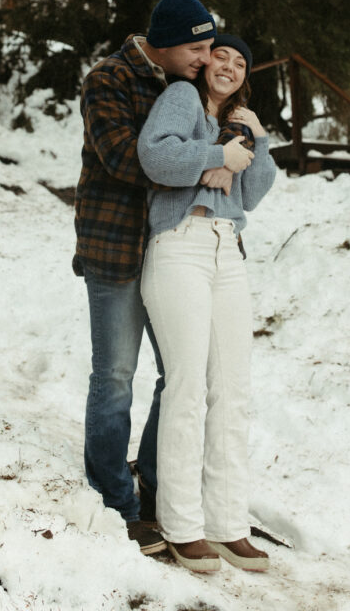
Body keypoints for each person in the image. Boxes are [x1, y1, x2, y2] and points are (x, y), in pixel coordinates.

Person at [73, 0, 250, 555]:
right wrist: (207, 164)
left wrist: (229, 146)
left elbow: (221, 151)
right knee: (117, 373)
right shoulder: (108, 79)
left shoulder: (187, 88)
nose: (206, 57)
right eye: (198, 47)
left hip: (174, 252)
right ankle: (113, 501)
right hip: (116, 245)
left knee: (181, 374)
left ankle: (154, 483)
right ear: (169, 45)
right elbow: (128, 157)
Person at [136, 33, 276, 574]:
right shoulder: (180, 99)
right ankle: (182, 526)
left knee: (234, 392)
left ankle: (226, 525)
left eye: (241, 63)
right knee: (188, 388)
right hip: (180, 248)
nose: (231, 66)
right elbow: (155, 156)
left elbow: (254, 193)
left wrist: (254, 142)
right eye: (222, 56)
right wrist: (216, 157)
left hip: (228, 252)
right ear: (204, 61)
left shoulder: (237, 122)